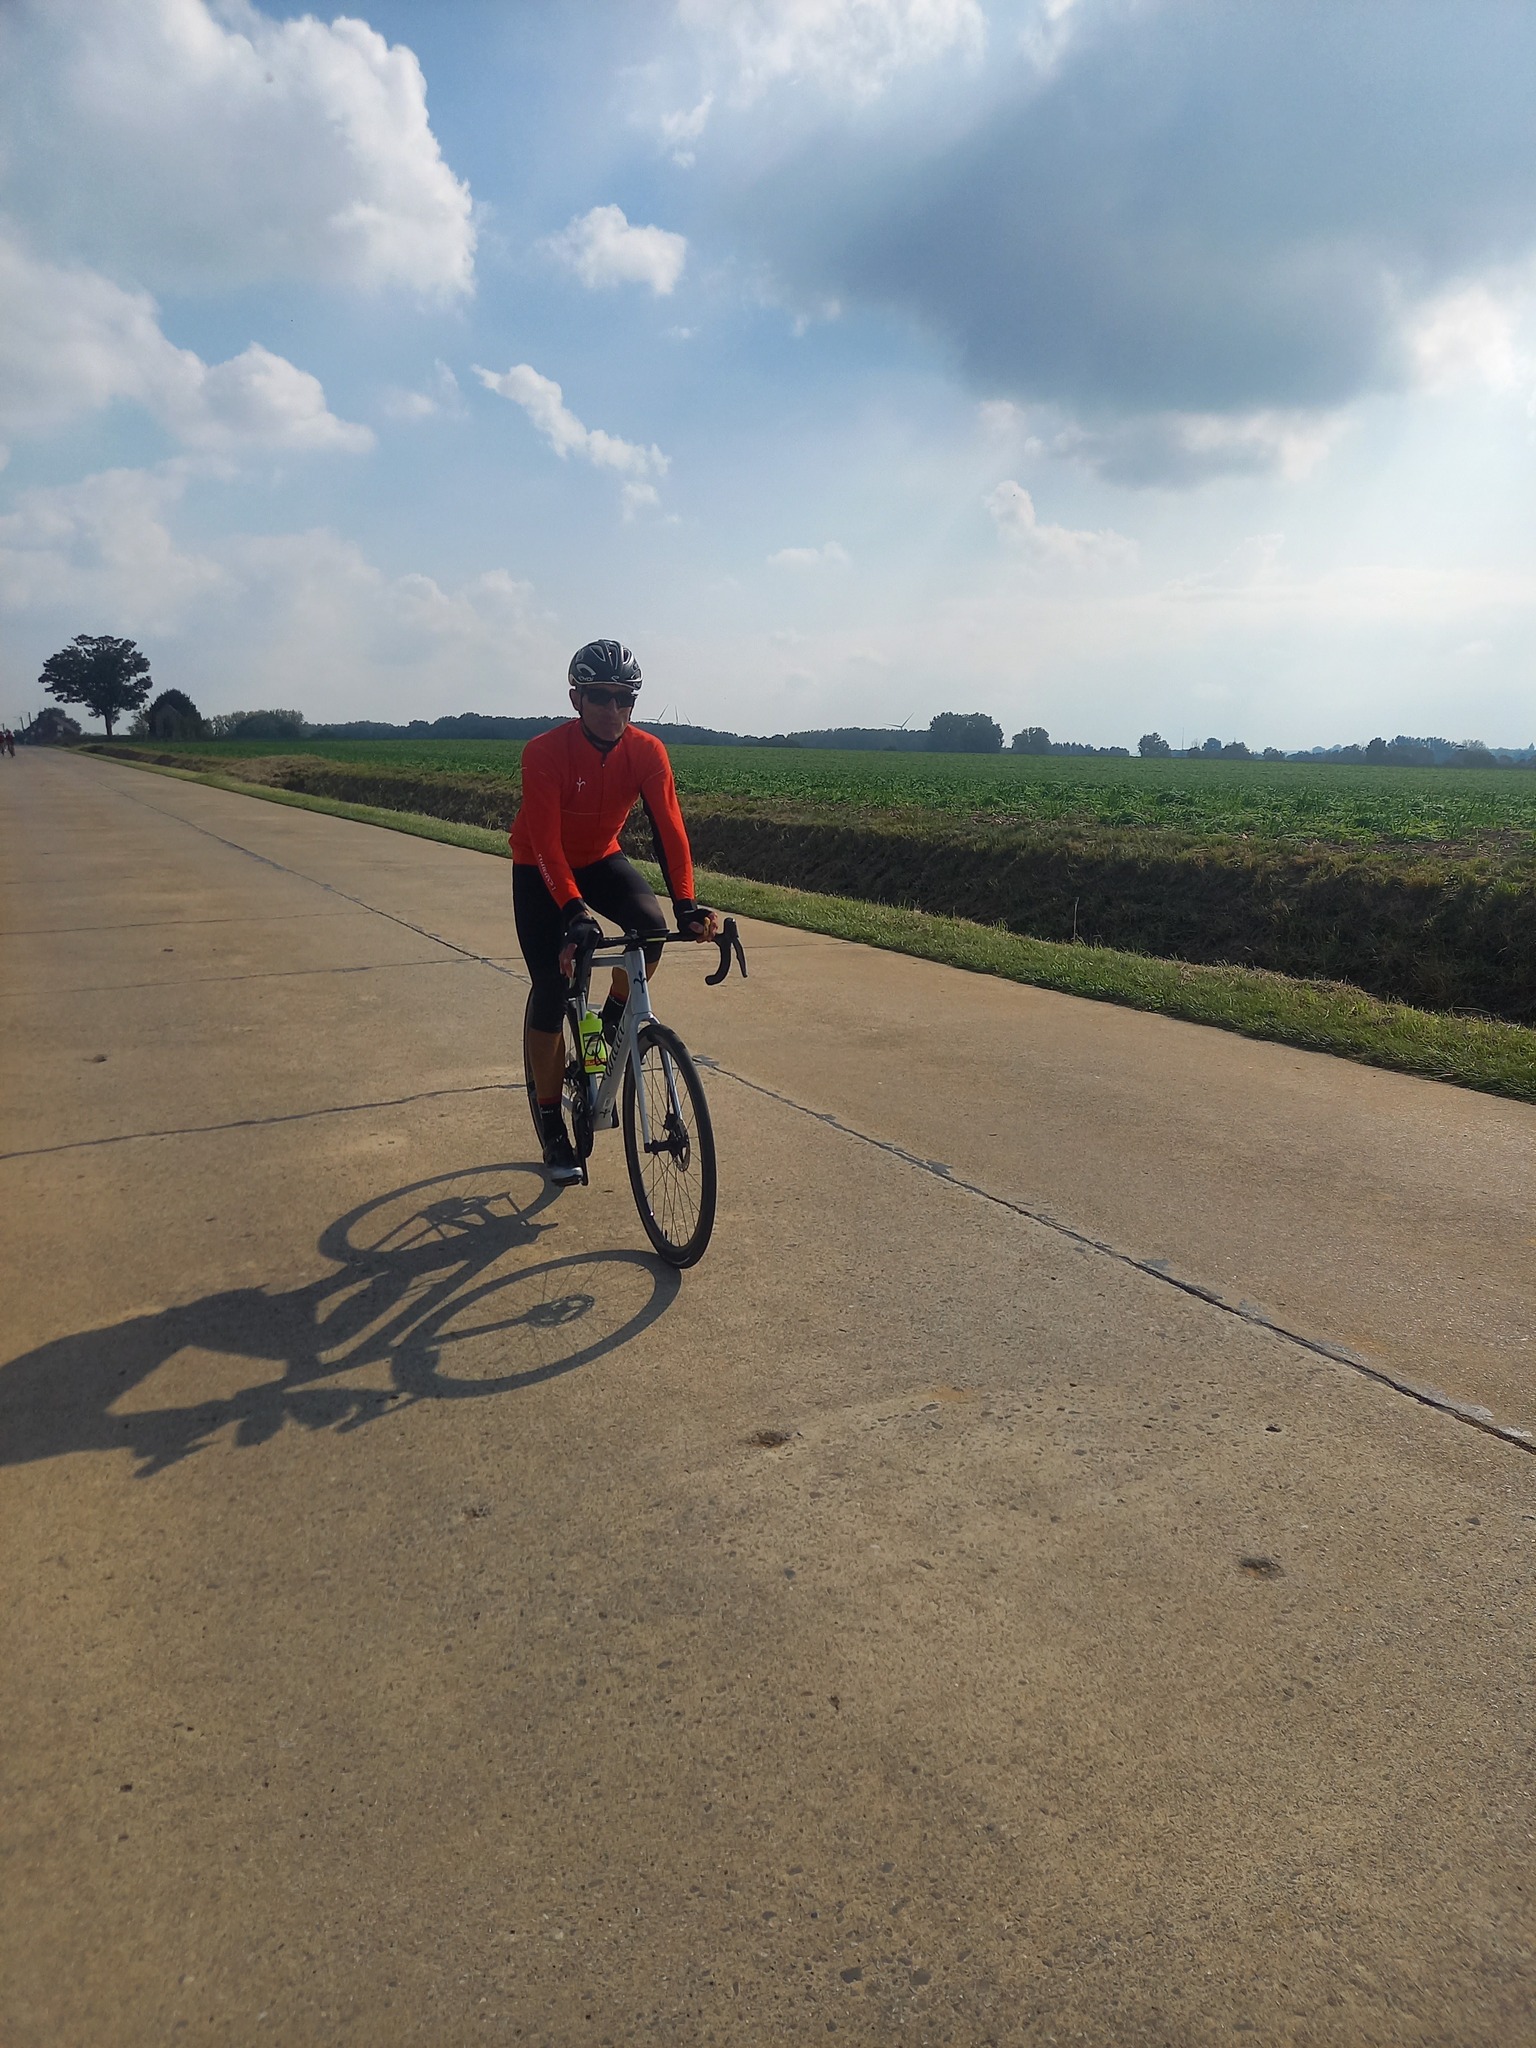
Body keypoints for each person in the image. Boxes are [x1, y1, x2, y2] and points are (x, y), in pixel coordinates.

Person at [511, 640, 717, 1181]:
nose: (613, 709)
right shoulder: (544, 752)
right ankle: (552, 1125)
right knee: (551, 986)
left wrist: (686, 903)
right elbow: (545, 843)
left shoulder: (647, 752)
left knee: (651, 932)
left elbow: (670, 828)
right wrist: (573, 910)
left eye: (625, 698)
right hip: (540, 867)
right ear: (576, 699)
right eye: (601, 696)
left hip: (601, 857)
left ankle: (605, 1025)